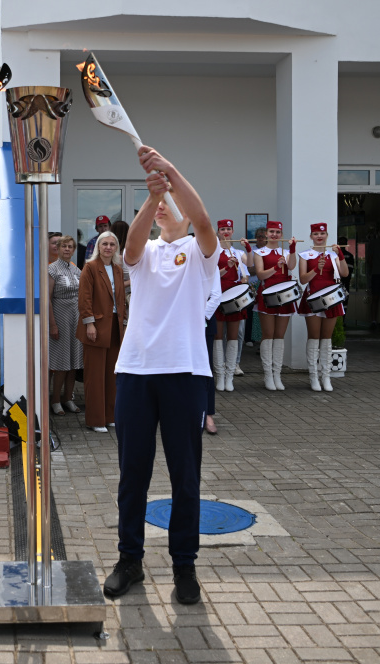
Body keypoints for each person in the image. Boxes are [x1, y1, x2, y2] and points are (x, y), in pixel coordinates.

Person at [103, 145, 217, 605]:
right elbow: (129, 245)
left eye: (173, 205)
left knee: (185, 477)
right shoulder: (145, 251)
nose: (167, 209)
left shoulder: (200, 250)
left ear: (183, 217)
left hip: (186, 373)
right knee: (133, 474)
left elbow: (204, 220)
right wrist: (152, 196)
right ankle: (129, 558)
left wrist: (169, 170)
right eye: (157, 207)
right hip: (136, 371)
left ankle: (184, 565)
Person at [78, 230, 126, 432]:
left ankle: (110, 416)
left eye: (112, 244)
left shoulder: (117, 268)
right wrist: (89, 323)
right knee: (95, 376)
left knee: (112, 375)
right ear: (98, 246)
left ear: (116, 248)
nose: (108, 247)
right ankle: (96, 420)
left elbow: (121, 299)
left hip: (115, 326)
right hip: (96, 327)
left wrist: (124, 321)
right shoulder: (90, 267)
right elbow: (85, 298)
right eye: (104, 244)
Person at [244, 221, 297, 390]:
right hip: (267, 294)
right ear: (266, 234)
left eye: (277, 232)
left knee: (279, 335)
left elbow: (292, 267)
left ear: (281, 234)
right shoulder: (260, 252)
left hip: (285, 295)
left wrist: (293, 250)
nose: (274, 234)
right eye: (271, 231)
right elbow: (260, 275)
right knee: (268, 334)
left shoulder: (286, 252)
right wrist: (276, 266)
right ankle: (267, 375)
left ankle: (277, 374)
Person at [298, 223, 349, 392]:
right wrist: (316, 268)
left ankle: (326, 376)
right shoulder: (305, 255)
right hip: (312, 297)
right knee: (314, 337)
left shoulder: (332, 254)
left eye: (322, 233)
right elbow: (303, 280)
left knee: (326, 339)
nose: (319, 236)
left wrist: (340, 255)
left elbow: (345, 274)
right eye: (315, 233)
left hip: (332, 298)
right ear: (311, 236)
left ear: (327, 235)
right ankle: (313, 377)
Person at [47, 235, 83, 415]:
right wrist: (52, 324)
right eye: (64, 246)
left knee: (74, 361)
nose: (67, 249)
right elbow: (47, 298)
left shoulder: (76, 270)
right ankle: (55, 401)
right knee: (61, 363)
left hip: (76, 317)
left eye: (70, 247)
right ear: (58, 249)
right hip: (60, 317)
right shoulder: (52, 269)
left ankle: (68, 398)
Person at [214, 219, 249, 392]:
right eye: (223, 229)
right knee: (218, 337)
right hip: (218, 297)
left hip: (234, 298)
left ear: (232, 231)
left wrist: (248, 248)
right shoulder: (213, 251)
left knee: (234, 337)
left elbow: (248, 267)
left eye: (228, 229)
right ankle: (219, 376)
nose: (226, 231)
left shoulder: (238, 252)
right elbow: (209, 276)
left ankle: (230, 377)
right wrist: (226, 268)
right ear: (218, 231)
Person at [203, 269, 222, 434]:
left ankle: (208, 413)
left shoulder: (211, 264)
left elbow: (216, 295)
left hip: (204, 321)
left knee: (205, 368)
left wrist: (198, 317)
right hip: (179, 321)